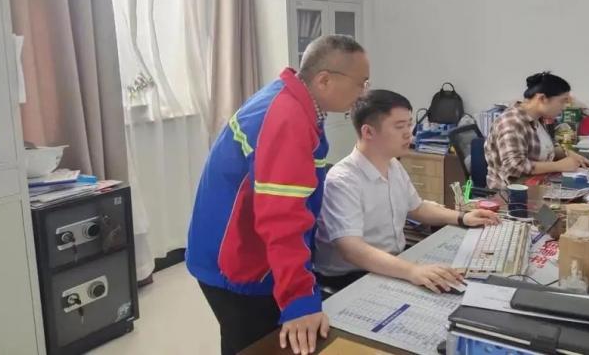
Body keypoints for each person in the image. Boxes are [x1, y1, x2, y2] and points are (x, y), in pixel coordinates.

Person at [186, 35, 370, 355]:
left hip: (237, 248)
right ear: (324, 80)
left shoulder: (291, 100)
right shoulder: (287, 117)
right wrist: (299, 300)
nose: (363, 93)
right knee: (258, 345)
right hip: (238, 260)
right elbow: (283, 218)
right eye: (360, 83)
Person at [314, 89, 500, 294]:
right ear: (368, 132)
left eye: (409, 124)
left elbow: (417, 208)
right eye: (399, 126)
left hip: (393, 261)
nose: (409, 134)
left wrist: (462, 217)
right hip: (349, 277)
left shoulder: (392, 164)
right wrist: (412, 271)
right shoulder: (342, 180)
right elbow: (352, 250)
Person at [485, 71, 589, 189]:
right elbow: (514, 167)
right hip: (511, 194)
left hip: (538, 185)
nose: (564, 107)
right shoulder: (512, 123)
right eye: (562, 101)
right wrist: (558, 165)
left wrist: (568, 153)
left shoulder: (538, 118)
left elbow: (546, 148)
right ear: (542, 98)